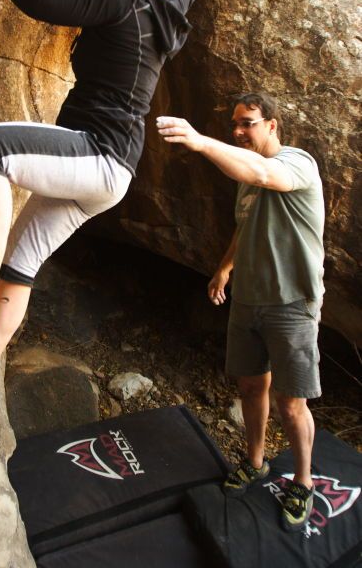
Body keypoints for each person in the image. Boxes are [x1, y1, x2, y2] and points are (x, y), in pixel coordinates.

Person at [0, 0, 225, 408]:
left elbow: (39, 1)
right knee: (18, 268)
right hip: (113, 171)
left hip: (97, 151)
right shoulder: (167, 14)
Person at [156, 92, 325, 532]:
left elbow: (267, 174)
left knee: (291, 404)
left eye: (247, 122)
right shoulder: (246, 177)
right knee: (251, 387)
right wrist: (224, 270)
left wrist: (202, 142)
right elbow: (245, 224)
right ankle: (255, 461)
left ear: (272, 125)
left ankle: (304, 481)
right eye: (234, 123)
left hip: (291, 303)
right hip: (248, 300)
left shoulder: (296, 163)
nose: (237, 130)